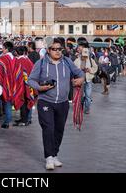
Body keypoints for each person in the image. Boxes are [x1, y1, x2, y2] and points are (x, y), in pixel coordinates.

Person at [28, 39, 85, 170]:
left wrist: (80, 79)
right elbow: (30, 79)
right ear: (48, 50)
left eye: (60, 49)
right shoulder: (41, 63)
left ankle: (54, 154)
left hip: (63, 102)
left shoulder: (67, 61)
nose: (58, 51)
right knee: (48, 128)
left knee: (59, 130)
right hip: (45, 101)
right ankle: (48, 157)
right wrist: (39, 88)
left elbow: (79, 72)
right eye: (54, 49)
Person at [14, 46, 35, 126]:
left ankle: (24, 120)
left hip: (22, 85)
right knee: (28, 101)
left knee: (22, 102)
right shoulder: (27, 60)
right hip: (29, 84)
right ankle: (27, 119)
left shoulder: (19, 61)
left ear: (17, 52)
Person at [75, 48, 98, 114]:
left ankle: (87, 108)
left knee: (88, 96)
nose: (85, 57)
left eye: (86, 55)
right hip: (80, 80)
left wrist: (90, 70)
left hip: (88, 80)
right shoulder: (77, 60)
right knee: (81, 95)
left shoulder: (91, 60)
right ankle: (81, 107)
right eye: (83, 55)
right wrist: (79, 71)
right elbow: (73, 68)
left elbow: (95, 67)